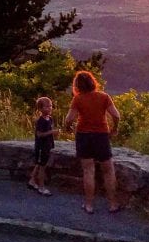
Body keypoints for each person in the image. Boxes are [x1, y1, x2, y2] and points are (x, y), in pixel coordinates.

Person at [64, 70, 120, 214]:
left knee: (88, 170)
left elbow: (69, 119)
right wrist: (114, 128)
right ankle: (113, 203)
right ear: (92, 82)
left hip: (83, 135)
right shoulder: (104, 97)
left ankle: (89, 204)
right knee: (108, 170)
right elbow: (116, 115)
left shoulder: (78, 99)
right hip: (101, 135)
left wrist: (68, 128)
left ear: (78, 85)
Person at [28, 96, 57, 196]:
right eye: (46, 106)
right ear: (40, 109)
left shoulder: (50, 119)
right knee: (42, 167)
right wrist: (51, 132)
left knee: (39, 164)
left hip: (47, 145)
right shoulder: (40, 121)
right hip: (41, 146)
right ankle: (41, 187)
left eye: (51, 106)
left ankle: (32, 180)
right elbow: (39, 134)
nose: (49, 108)